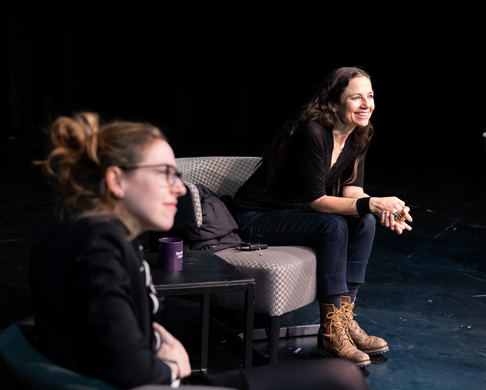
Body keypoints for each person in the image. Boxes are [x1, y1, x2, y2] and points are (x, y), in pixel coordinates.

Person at [30, 112, 369, 389]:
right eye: (165, 174)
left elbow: (111, 320)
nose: (179, 188)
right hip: (154, 383)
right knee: (342, 379)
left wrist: (158, 334)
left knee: (340, 377)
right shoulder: (97, 249)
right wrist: (169, 368)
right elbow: (129, 370)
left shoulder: (94, 228)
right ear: (116, 180)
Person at [229, 66, 412, 367]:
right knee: (332, 225)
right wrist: (374, 204)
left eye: (370, 96)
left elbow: (353, 193)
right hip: (256, 218)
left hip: (293, 215)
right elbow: (317, 201)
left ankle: (343, 318)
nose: (367, 104)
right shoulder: (314, 132)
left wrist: (383, 208)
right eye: (356, 97)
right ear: (333, 102)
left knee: (364, 221)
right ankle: (330, 332)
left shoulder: (358, 134)